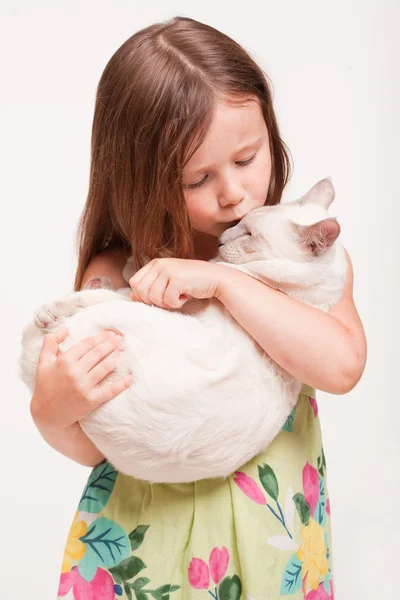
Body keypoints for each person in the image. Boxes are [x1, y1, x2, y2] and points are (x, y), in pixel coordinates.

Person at [30, 16, 367, 600]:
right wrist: (52, 413)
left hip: (273, 535)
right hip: (146, 537)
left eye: (246, 157)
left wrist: (225, 283)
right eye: (197, 178)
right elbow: (102, 443)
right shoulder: (118, 273)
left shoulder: (299, 260)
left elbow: (341, 367)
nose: (233, 192)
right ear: (139, 176)